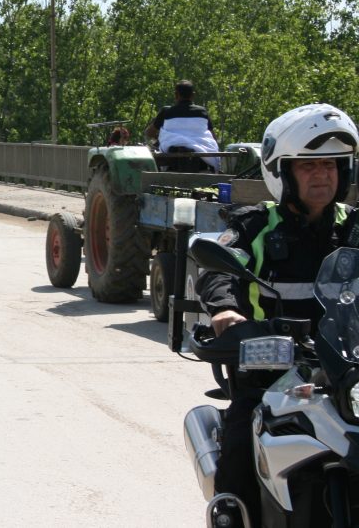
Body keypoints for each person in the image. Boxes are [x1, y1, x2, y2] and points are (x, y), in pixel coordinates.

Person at [196, 102, 359, 525]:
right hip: (273, 371)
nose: (323, 175)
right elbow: (217, 269)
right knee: (238, 445)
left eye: (332, 165)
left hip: (347, 373)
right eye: (309, 166)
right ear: (281, 172)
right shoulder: (254, 225)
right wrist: (226, 312)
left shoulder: (356, 229)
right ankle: (232, 514)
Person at [145, 79, 219, 171]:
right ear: (193, 95)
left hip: (172, 159)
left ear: (176, 95)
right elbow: (213, 137)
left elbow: (149, 133)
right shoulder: (202, 112)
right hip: (201, 159)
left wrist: (161, 136)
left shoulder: (166, 112)